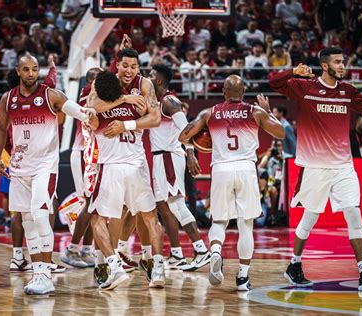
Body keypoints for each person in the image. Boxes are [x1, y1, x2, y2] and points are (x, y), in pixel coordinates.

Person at [269, 47, 362, 291]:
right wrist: (293, 70)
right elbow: (273, 82)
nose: (342, 66)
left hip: (343, 165)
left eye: (343, 61)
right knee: (311, 216)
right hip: (315, 165)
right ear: (324, 66)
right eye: (337, 62)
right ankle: (294, 264)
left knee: (353, 212)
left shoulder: (347, 91)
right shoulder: (304, 88)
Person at [0, 54, 95, 295]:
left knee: (40, 216)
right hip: (19, 168)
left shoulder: (51, 95)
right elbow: (0, 127)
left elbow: (81, 113)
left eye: (34, 69)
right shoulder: (8, 99)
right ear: (18, 71)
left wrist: (91, 113)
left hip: (44, 167)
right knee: (27, 220)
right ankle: (37, 271)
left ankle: (45, 275)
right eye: (26, 69)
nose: (30, 73)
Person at [178, 75, 285, 291]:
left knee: (219, 221)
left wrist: (194, 147)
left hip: (221, 169)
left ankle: (216, 251)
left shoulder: (209, 113)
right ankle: (243, 277)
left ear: (224, 92)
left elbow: (183, 135)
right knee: (246, 224)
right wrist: (268, 111)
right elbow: (281, 133)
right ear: (244, 91)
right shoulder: (255, 111)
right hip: (246, 168)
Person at [87, 49, 165, 290]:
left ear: (138, 68)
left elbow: (155, 119)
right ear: (116, 66)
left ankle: (132, 265)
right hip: (122, 163)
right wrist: (124, 100)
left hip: (126, 163)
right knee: (140, 216)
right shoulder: (104, 86)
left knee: (105, 218)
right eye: (125, 66)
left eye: (134, 66)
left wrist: (125, 125)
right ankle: (115, 264)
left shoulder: (144, 86)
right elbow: (91, 108)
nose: (129, 70)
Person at [148, 63, 211, 271]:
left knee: (176, 204)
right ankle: (176, 254)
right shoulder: (156, 101)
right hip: (159, 157)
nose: (148, 77)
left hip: (169, 156)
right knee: (163, 207)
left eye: (151, 74)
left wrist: (191, 154)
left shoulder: (170, 102)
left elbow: (187, 130)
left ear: (158, 80)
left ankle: (201, 250)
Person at [61, 67, 101, 268]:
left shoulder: (99, 95)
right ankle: (72, 249)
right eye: (99, 78)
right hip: (83, 154)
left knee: (95, 207)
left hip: (95, 155)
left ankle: (86, 250)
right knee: (88, 204)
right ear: (91, 81)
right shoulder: (87, 94)